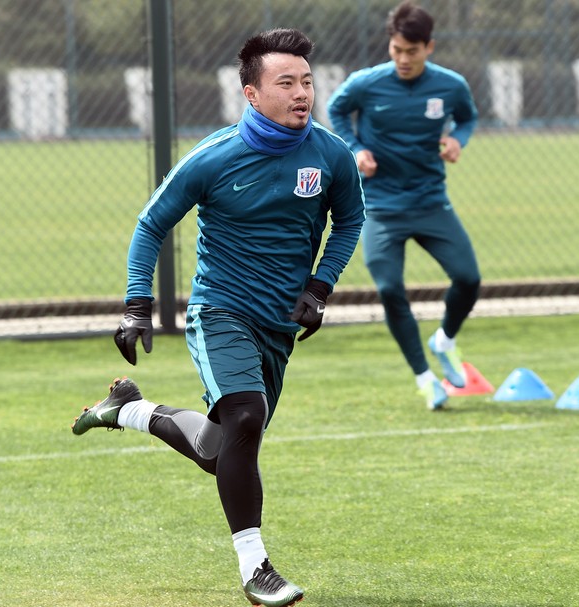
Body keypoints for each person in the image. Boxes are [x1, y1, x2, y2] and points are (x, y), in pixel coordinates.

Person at [70, 28, 364, 607]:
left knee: (218, 448)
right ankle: (257, 569)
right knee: (246, 416)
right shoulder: (214, 156)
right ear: (251, 93)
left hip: (280, 325)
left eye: (307, 81)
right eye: (287, 82)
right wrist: (137, 306)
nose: (302, 93)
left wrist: (319, 286)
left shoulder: (331, 154)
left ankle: (128, 409)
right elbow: (150, 225)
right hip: (220, 310)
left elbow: (351, 220)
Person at [327, 1, 481, 410]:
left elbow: (467, 118)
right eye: (396, 50)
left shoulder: (451, 86)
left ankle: (444, 340)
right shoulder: (366, 83)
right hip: (379, 206)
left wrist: (457, 140)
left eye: (412, 51)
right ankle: (425, 378)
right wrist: (355, 147)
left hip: (431, 202)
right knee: (390, 288)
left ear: (429, 47)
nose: (403, 59)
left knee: (468, 278)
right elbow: (336, 109)